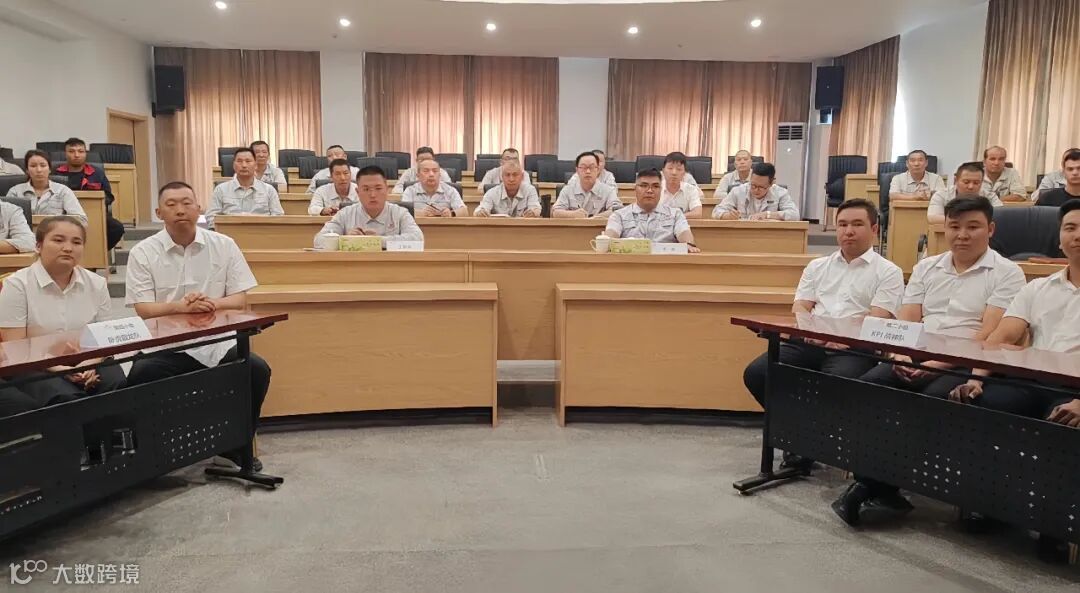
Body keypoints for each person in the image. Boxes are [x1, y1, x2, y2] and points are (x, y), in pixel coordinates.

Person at [832, 196, 1026, 527]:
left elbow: (987, 334)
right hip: (916, 354)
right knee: (867, 389)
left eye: (973, 227)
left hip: (964, 360)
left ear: (990, 229)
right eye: (955, 226)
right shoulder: (927, 267)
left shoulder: (1007, 273)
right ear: (944, 228)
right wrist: (901, 353)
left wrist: (936, 365)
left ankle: (876, 485)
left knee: (929, 402)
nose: (962, 235)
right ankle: (881, 485)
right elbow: (908, 319)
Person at [946, 199, 1080, 564]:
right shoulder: (1039, 288)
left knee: (1063, 426)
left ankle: (1056, 523)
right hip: (1033, 379)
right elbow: (1000, 338)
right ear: (1059, 238)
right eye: (1070, 228)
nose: (1077, 236)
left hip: (1075, 389)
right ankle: (994, 504)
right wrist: (977, 379)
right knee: (985, 406)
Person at [743, 200, 902, 470]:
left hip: (854, 347)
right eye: (842, 224)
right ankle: (797, 437)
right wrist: (810, 331)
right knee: (759, 373)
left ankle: (807, 442)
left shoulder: (888, 272)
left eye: (857, 224)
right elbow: (800, 307)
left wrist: (838, 336)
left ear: (874, 229)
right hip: (810, 341)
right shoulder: (817, 266)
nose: (848, 231)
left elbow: (877, 317)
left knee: (835, 384)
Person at [125, 181, 271, 471]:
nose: (180, 210)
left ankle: (234, 449)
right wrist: (180, 307)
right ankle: (153, 455)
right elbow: (143, 308)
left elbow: (240, 299)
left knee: (256, 369)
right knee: (141, 375)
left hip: (216, 343)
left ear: (199, 208)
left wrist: (210, 303)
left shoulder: (224, 245)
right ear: (159, 212)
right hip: (166, 345)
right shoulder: (143, 252)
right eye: (171, 205)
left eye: (186, 203)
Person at [0, 216, 126, 417]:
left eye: (76, 242)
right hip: (34, 364)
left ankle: (113, 437)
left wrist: (89, 363)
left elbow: (104, 336)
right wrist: (60, 369)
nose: (68, 248)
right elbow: (15, 348)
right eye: (58, 240)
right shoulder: (17, 285)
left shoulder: (96, 283)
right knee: (66, 398)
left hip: (87, 358)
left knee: (116, 384)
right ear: (38, 246)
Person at [315, 166, 424, 245]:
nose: (372, 195)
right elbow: (319, 240)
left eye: (378, 188)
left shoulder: (400, 213)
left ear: (387, 190)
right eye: (366, 189)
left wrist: (377, 241)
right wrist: (346, 240)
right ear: (357, 192)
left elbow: (418, 239)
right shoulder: (345, 214)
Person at [603, 168, 700, 252]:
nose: (649, 190)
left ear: (661, 189)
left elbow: (684, 233)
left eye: (655, 186)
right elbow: (610, 237)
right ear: (635, 189)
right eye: (644, 186)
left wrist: (688, 244)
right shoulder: (619, 215)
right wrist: (607, 242)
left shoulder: (675, 214)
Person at [55, 138, 125, 251]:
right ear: (65, 153)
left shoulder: (97, 173)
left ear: (85, 153)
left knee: (117, 228)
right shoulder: (56, 173)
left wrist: (94, 201)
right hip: (64, 214)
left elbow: (109, 196)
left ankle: (99, 252)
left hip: (93, 213)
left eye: (80, 151)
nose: (76, 155)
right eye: (71, 151)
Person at [206, 147, 284, 228]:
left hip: (262, 233)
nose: (244, 165)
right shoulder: (221, 189)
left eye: (248, 161)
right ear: (234, 165)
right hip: (229, 233)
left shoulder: (269, 190)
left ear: (255, 165)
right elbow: (211, 217)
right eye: (239, 161)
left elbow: (278, 216)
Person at [6, 150, 87, 224]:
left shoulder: (63, 191)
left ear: (49, 169)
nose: (39, 170)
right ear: (27, 170)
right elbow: (5, 220)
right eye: (33, 166)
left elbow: (82, 220)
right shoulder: (15, 192)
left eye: (43, 165)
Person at [711, 162, 799, 221]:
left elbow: (795, 215)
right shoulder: (738, 191)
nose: (756, 190)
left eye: (761, 187)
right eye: (753, 185)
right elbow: (716, 211)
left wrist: (767, 215)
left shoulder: (780, 193)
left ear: (771, 183)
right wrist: (728, 216)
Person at [552, 152, 620, 218]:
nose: (588, 171)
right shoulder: (567, 190)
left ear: (598, 170)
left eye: (592, 167)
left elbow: (617, 210)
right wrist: (573, 214)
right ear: (577, 170)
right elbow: (555, 212)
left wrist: (595, 218)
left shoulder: (608, 191)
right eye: (583, 167)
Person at [927, 162, 999, 224]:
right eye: (966, 182)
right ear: (956, 180)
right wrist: (969, 221)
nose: (971, 186)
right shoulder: (941, 195)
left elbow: (1000, 216)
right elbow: (933, 218)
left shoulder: (989, 196)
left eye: (976, 183)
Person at [401, 159, 467, 217]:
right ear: (418, 175)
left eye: (435, 171)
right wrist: (421, 213)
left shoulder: (450, 190)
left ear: (440, 175)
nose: (431, 174)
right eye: (426, 171)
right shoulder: (410, 190)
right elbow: (402, 211)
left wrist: (451, 213)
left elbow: (464, 211)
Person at [475, 160, 541, 218]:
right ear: (502, 177)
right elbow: (480, 209)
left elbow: (536, 208)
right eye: (507, 175)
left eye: (515, 175)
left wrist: (534, 212)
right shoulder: (492, 192)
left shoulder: (530, 190)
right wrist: (481, 212)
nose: (511, 179)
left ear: (522, 177)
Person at [659, 153, 705, 218]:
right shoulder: (655, 189)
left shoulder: (691, 189)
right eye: (670, 168)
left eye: (679, 169)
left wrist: (676, 217)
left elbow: (697, 213)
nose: (674, 173)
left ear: (684, 173)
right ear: (663, 171)